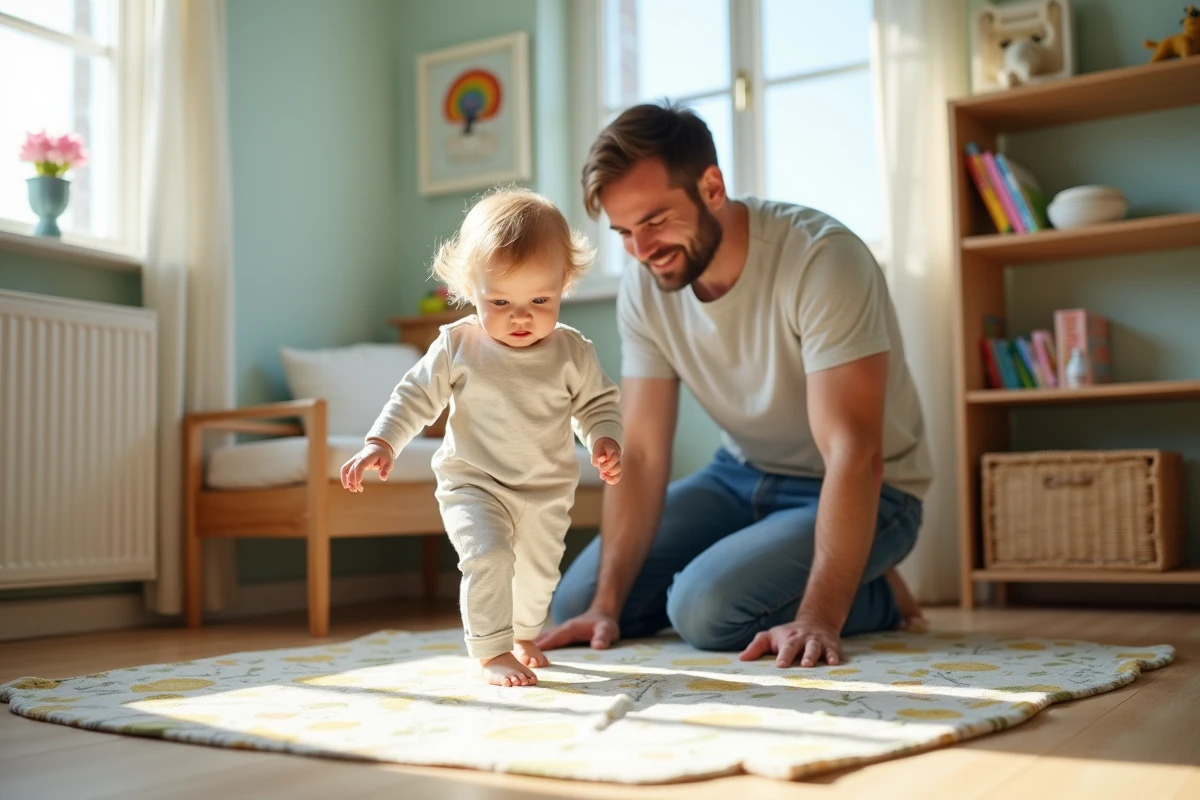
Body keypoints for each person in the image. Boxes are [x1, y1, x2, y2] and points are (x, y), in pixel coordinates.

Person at [536, 103, 932, 669]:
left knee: (705, 610)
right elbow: (642, 454)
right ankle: (784, 567)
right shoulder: (644, 289)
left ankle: (875, 595)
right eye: (625, 232)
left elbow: (855, 452)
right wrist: (605, 605)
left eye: (655, 221)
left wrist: (819, 616)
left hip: (870, 486)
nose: (642, 252)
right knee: (581, 602)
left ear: (712, 187)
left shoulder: (822, 258)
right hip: (740, 476)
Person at [340, 188, 625, 687]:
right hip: (475, 483)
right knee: (489, 556)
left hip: (546, 491)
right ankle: (492, 650)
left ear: (565, 285)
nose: (522, 316)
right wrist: (381, 442)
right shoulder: (458, 344)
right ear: (471, 290)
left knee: (537, 579)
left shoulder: (571, 352)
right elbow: (414, 397)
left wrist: (603, 439)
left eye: (541, 300)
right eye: (501, 301)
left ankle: (523, 633)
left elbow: (598, 405)